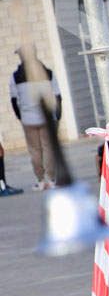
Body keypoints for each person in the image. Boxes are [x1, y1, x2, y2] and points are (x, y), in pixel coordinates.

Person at [9, 44, 61, 190]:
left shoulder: (15, 76)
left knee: (34, 150)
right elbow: (57, 95)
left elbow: (14, 100)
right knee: (48, 148)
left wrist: (20, 117)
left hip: (28, 119)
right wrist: (57, 115)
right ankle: (51, 180)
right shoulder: (48, 73)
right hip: (46, 118)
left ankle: (40, 180)